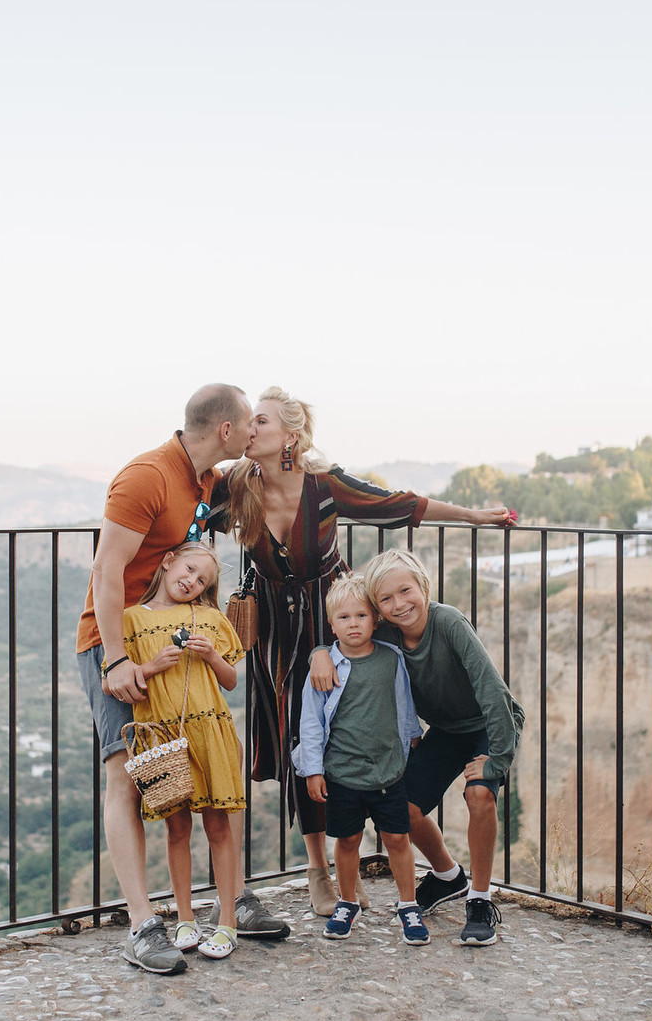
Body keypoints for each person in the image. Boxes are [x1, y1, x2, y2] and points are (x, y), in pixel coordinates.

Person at [211, 387, 514, 918]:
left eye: (259, 420)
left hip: (336, 624)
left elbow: (397, 505)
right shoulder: (236, 484)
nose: (247, 428)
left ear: (291, 436)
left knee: (342, 734)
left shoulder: (324, 487)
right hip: (275, 637)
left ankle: (353, 861)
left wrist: (475, 517)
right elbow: (187, 520)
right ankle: (318, 869)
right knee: (296, 739)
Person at [77, 384, 289, 978]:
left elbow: (275, 485)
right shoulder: (146, 477)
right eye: (250, 425)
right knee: (128, 774)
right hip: (114, 642)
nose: (253, 435)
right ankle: (144, 925)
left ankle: (232, 899)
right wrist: (116, 661)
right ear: (226, 430)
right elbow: (106, 568)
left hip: (168, 647)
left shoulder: (204, 480)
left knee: (209, 773)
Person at [310, 547, 524, 947]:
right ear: (378, 609)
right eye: (386, 599)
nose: (399, 605)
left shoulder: (449, 623)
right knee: (404, 808)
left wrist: (498, 758)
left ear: (423, 586)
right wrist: (318, 653)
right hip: (445, 729)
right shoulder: (387, 631)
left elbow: (493, 693)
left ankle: (479, 900)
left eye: (405, 591)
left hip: (486, 724)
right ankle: (447, 877)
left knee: (479, 795)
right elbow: (344, 636)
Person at [123, 541, 248, 959]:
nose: (192, 582)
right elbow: (118, 681)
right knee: (176, 830)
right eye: (190, 570)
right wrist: (148, 667)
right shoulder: (131, 619)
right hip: (160, 737)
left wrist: (212, 654)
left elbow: (230, 681)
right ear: (168, 561)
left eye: (202, 581)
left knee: (219, 827)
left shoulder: (211, 618)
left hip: (210, 730)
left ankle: (227, 922)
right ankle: (185, 920)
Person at [295, 574, 429, 946]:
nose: (353, 624)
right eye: (343, 618)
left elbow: (404, 704)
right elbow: (311, 723)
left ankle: (408, 905)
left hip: (388, 770)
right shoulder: (324, 669)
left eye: (361, 616)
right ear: (331, 624)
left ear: (375, 620)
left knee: (398, 839)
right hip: (343, 773)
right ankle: (347, 901)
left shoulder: (392, 659)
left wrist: (413, 737)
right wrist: (313, 770)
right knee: (348, 839)